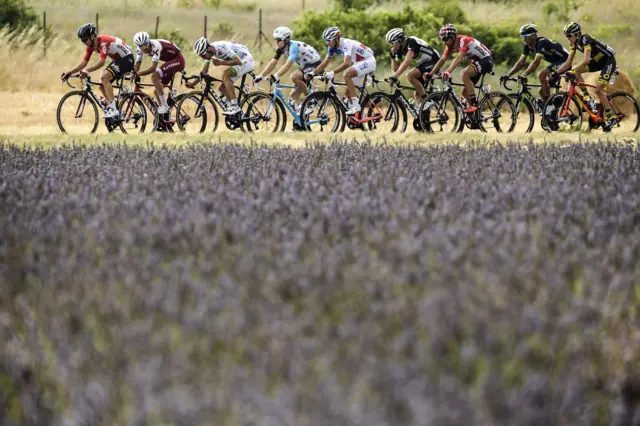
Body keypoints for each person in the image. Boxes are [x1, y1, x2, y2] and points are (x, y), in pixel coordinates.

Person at [61, 23, 135, 119]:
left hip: (127, 59)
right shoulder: (90, 46)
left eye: (85, 39)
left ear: (92, 36)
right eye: (82, 40)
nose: (84, 42)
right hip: (118, 60)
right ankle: (116, 109)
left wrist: (87, 71)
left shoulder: (103, 41)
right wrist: (70, 73)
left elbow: (101, 62)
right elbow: (84, 63)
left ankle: (113, 109)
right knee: (101, 85)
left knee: (105, 77)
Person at [554, 22, 618, 129]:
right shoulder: (574, 44)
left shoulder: (585, 39)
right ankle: (587, 98)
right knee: (576, 72)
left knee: (598, 90)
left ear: (577, 34)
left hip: (608, 61)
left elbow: (586, 60)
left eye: (570, 36)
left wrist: (573, 70)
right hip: (597, 61)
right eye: (567, 36)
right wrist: (556, 73)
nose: (568, 38)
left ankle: (612, 118)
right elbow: (568, 62)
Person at [426, 24, 493, 114]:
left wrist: (447, 72)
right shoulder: (450, 45)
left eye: (446, 39)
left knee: (464, 73)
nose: (445, 42)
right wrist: (431, 73)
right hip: (477, 61)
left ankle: (474, 104)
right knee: (465, 93)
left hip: (486, 60)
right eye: (443, 40)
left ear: (452, 36)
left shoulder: (463, 40)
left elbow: (458, 58)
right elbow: (442, 60)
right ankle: (476, 116)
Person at [254, 26, 321, 113]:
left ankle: (311, 99)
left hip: (316, 64)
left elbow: (287, 65)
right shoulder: (280, 48)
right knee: (293, 96)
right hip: (305, 66)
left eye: (278, 40)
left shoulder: (294, 47)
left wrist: (276, 75)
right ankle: (301, 121)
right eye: (276, 40)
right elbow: (272, 63)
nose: (277, 42)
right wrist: (261, 75)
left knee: (294, 76)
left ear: (286, 40)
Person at [312, 26, 376, 115]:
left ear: (336, 38)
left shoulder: (346, 43)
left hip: (368, 61)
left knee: (347, 74)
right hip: (358, 63)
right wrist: (312, 73)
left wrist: (332, 72)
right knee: (347, 92)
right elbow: (324, 63)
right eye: (326, 41)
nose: (328, 44)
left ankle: (355, 105)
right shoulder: (332, 47)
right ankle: (360, 116)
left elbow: (347, 63)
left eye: (329, 41)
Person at [501, 24, 569, 105]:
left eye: (525, 36)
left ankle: (549, 104)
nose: (524, 39)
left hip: (565, 61)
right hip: (556, 62)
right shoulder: (527, 46)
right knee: (541, 91)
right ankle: (551, 112)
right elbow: (520, 62)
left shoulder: (541, 42)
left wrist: (524, 74)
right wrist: (508, 74)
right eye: (522, 37)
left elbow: (536, 62)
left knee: (541, 74)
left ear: (533, 36)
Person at [191, 37, 255, 115]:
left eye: (203, 55)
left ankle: (235, 106)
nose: (203, 58)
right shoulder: (209, 53)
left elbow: (238, 61)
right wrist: (193, 83)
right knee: (222, 88)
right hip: (242, 60)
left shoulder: (220, 48)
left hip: (246, 60)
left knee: (226, 75)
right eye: (201, 56)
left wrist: (221, 62)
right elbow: (204, 71)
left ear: (209, 49)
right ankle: (238, 113)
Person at [132, 31, 185, 120]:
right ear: (138, 46)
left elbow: (153, 68)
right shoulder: (139, 49)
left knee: (154, 76)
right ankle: (166, 118)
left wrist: (138, 74)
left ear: (148, 41)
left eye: (145, 44)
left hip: (178, 60)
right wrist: (133, 74)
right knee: (157, 91)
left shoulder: (156, 45)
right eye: (141, 46)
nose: (144, 48)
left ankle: (164, 106)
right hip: (170, 61)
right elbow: (137, 64)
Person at [385, 28, 441, 104]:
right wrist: (393, 57)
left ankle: (427, 102)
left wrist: (395, 77)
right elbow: (396, 69)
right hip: (424, 64)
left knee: (410, 75)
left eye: (392, 43)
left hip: (435, 62)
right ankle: (421, 113)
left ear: (400, 40)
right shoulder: (399, 49)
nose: (392, 46)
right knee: (417, 94)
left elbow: (407, 61)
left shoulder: (412, 42)